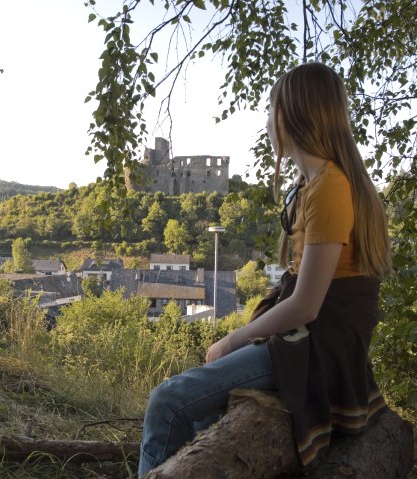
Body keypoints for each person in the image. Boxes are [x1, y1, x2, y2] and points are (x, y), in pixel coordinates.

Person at [137, 62, 391, 477]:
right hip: (312, 335)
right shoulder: (315, 184)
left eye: (271, 110)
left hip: (319, 344)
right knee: (202, 417)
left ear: (293, 115)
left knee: (169, 401)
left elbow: (307, 306)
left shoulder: (329, 187)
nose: (267, 123)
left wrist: (233, 340)